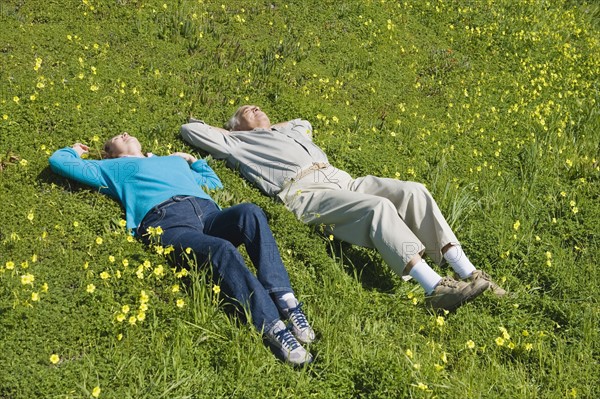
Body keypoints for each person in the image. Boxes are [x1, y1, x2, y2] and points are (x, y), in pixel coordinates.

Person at [180, 105, 507, 312]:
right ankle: (434, 287)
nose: (256, 108)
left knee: (414, 191)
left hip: (343, 179)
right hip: (306, 192)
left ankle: (469, 272)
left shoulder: (288, 131)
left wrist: (266, 126)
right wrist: (233, 133)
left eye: (257, 107)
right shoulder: (238, 143)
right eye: (247, 111)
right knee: (378, 209)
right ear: (237, 126)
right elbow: (190, 130)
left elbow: (302, 122)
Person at [49, 132, 315, 366]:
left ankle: (285, 300)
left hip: (209, 215)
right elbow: (60, 162)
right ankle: (273, 327)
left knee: (251, 212)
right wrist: (74, 150)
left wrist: (191, 160)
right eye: (117, 137)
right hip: (168, 223)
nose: (126, 133)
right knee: (221, 250)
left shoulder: (170, 160)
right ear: (109, 154)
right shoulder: (114, 168)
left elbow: (213, 184)